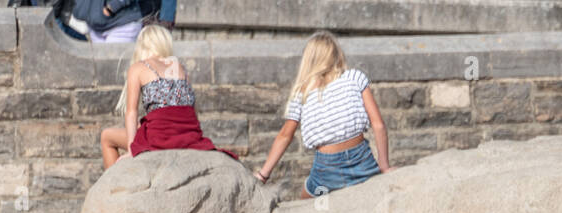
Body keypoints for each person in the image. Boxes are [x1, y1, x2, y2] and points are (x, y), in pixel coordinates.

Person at [253, 31, 389, 198]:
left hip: (327, 169)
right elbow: (378, 125)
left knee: (305, 202)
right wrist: (384, 166)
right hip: (362, 161)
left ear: (308, 60)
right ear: (337, 54)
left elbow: (284, 136)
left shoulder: (302, 92)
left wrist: (263, 175)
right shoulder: (355, 77)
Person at [99, 25, 237, 168]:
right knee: (143, 125)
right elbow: (191, 110)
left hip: (160, 137)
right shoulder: (180, 67)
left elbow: (131, 113)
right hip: (189, 136)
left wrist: (131, 149)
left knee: (107, 136)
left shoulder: (138, 68)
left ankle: (114, 186)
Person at [72, 0, 157, 44]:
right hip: (94, 27)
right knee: (102, 70)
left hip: (121, 26)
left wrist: (111, 8)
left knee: (114, 70)